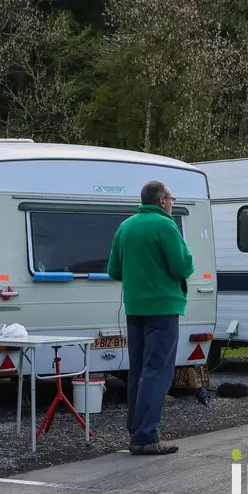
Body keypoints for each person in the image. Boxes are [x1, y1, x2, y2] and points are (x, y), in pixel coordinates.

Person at [107, 180, 194, 456]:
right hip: (163, 307)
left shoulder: (126, 226)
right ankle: (146, 436)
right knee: (157, 371)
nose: (172, 204)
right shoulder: (165, 225)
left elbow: (113, 270)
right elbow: (183, 265)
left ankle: (136, 430)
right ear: (162, 201)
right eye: (172, 199)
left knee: (139, 370)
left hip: (134, 308)